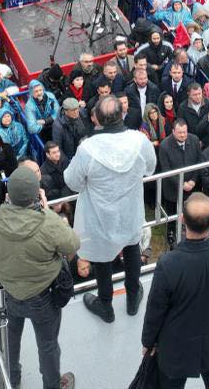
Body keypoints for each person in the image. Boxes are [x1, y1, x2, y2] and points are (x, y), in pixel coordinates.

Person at [0, 164, 79, 389]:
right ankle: (52, 385)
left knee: (10, 342)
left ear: (8, 194)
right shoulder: (47, 220)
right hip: (45, 298)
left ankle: (12, 382)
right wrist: (45, 210)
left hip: (9, 295)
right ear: (36, 193)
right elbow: (72, 244)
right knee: (48, 346)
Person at [140, 193, 209, 389]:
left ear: (182, 220)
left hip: (176, 347)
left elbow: (155, 310)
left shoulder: (169, 263)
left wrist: (148, 342)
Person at [64, 94, 156, 322]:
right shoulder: (139, 140)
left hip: (100, 215)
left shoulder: (87, 149)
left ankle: (106, 304)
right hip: (129, 210)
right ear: (122, 114)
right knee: (132, 246)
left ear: (96, 119)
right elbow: (150, 168)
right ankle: (132, 298)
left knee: (102, 257)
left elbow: (73, 182)